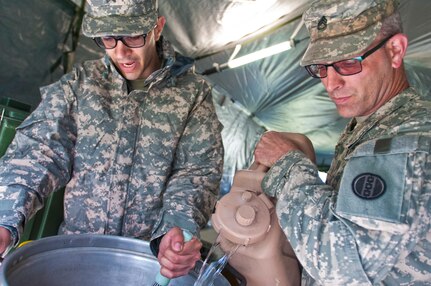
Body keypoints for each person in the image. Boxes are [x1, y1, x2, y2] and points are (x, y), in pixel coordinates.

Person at [0, 0, 224, 279]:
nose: (121, 52)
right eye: (108, 38)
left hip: (144, 262)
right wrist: (4, 218)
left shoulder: (192, 94)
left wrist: (178, 228)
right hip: (75, 256)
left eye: (132, 36)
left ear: (157, 28)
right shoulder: (81, 84)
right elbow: (39, 151)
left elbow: (196, 172)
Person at [253, 0, 431, 284]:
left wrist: (289, 166)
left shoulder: (410, 137)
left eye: (348, 63)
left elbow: (343, 263)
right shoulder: (370, 126)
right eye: (321, 67)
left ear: (395, 50)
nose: (330, 83)